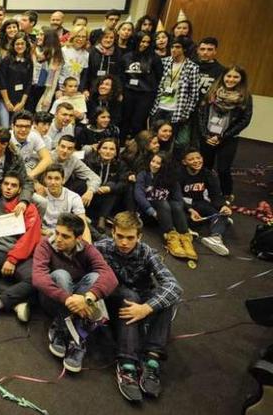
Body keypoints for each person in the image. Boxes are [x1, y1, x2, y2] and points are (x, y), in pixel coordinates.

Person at [96, 212, 182, 402]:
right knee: (129, 295)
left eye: (130, 237)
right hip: (113, 301)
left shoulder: (148, 253)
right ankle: (127, 363)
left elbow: (174, 286)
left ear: (139, 237)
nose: (124, 242)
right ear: (113, 232)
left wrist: (147, 308)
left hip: (140, 304)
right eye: (120, 236)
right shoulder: (101, 247)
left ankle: (151, 360)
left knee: (165, 300)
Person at [33, 213, 117, 373]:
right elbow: (38, 278)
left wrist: (88, 298)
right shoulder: (45, 245)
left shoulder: (88, 249)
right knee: (61, 275)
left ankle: (76, 336)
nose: (58, 238)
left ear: (78, 238)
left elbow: (111, 277)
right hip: (53, 300)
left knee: (95, 277)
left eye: (65, 236)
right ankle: (63, 329)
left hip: (79, 301)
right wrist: (68, 298)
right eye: (57, 232)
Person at [0, 171, 41, 326]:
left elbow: (31, 238)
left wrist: (12, 259)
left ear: (19, 189)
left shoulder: (28, 207)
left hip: (20, 254)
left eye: (13, 185)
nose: (8, 188)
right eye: (6, 184)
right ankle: (16, 302)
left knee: (37, 279)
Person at [195, 66, 252, 204]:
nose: (231, 79)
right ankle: (204, 190)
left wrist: (222, 136)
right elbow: (201, 114)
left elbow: (245, 120)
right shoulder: (212, 92)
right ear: (223, 77)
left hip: (228, 138)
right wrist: (205, 134)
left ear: (241, 79)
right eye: (229, 76)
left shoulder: (245, 97)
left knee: (223, 168)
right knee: (205, 166)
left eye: (235, 77)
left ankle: (226, 194)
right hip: (208, 136)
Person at [135, 152, 195, 260]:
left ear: (165, 166)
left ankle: (185, 237)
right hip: (148, 213)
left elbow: (178, 198)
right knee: (162, 202)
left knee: (176, 205)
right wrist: (152, 212)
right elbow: (138, 195)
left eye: (158, 163)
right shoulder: (143, 174)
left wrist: (189, 209)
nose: (154, 165)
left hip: (164, 214)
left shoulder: (171, 178)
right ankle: (170, 237)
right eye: (153, 161)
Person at [180, 149, 233, 256]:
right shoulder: (178, 174)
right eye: (191, 159)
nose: (196, 161)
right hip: (183, 205)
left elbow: (215, 194)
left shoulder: (208, 174)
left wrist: (223, 206)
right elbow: (175, 196)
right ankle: (186, 229)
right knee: (180, 218)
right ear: (184, 162)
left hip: (199, 202)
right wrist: (189, 210)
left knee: (222, 214)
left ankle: (215, 238)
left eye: (198, 158)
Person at [149, 36, 201, 144]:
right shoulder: (164, 62)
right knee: (152, 137)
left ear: (184, 49)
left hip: (176, 110)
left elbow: (194, 94)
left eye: (177, 47)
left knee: (170, 140)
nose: (173, 49)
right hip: (159, 106)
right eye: (172, 47)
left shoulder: (192, 67)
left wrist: (185, 113)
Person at [40, 164, 93, 242]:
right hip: (44, 235)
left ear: (63, 180)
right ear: (45, 180)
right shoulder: (39, 196)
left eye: (57, 179)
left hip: (64, 235)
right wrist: (45, 232)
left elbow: (83, 224)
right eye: (49, 178)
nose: (52, 182)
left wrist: (88, 247)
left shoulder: (73, 197)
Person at [84, 138, 127, 229]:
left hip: (109, 198)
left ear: (116, 152)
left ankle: (102, 219)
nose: (108, 152)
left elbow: (123, 183)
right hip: (91, 196)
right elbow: (83, 179)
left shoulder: (121, 164)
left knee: (112, 186)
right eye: (104, 148)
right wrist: (94, 189)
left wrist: (109, 188)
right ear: (99, 150)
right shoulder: (89, 161)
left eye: (112, 149)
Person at [0, 32, 33, 127]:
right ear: (13, 45)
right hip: (5, 100)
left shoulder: (29, 61)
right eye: (17, 44)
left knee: (16, 127)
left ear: (26, 45)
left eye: (22, 44)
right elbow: (2, 81)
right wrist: (7, 102)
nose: (20, 46)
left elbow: (29, 83)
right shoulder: (6, 60)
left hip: (20, 100)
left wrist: (22, 103)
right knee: (5, 127)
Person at [10, 110, 53, 181]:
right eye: (20, 126)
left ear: (31, 127)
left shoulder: (34, 136)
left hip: (26, 171)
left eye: (27, 126)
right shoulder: (7, 138)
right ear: (12, 126)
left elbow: (47, 159)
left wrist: (31, 175)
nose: (23, 129)